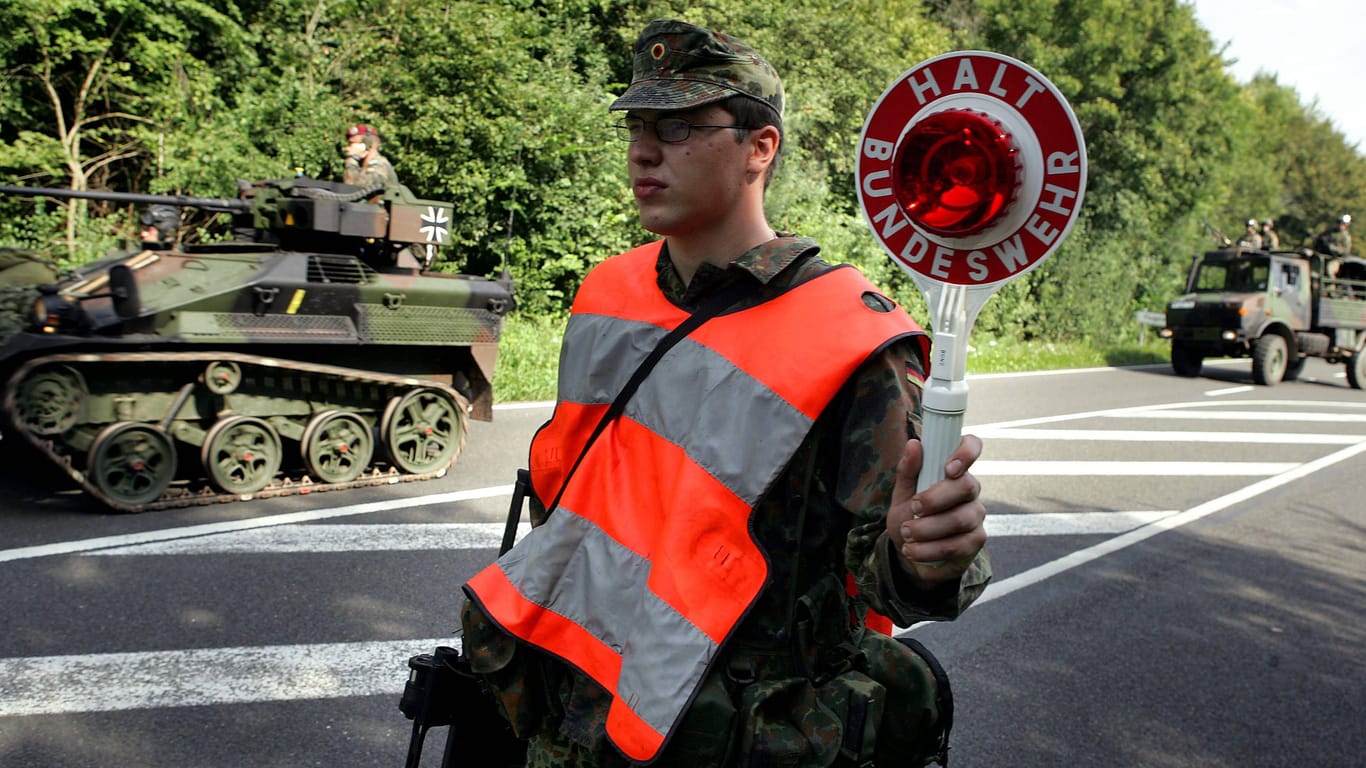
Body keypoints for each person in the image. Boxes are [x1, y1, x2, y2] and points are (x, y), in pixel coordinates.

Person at [460, 19, 990, 767]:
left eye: (678, 126)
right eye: (639, 125)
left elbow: (902, 577)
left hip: (725, 736)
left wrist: (927, 556)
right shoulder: (607, 291)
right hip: (568, 716)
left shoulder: (852, 337)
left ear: (759, 148)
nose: (644, 150)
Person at [341, 124, 397, 190]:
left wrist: (352, 158)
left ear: (367, 146)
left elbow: (353, 190)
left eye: (352, 144)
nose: (347, 148)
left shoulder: (380, 165)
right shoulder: (362, 167)